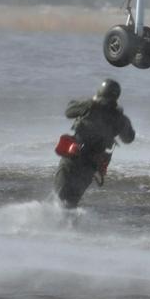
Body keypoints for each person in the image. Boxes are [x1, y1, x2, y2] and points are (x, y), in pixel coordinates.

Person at [55, 78, 135, 208]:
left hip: (73, 159)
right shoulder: (120, 119)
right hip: (91, 165)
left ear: (100, 93)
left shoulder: (89, 106)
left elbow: (69, 111)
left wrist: (91, 101)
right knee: (72, 201)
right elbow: (129, 138)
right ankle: (67, 225)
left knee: (59, 197)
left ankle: (52, 224)